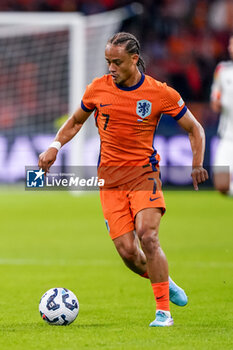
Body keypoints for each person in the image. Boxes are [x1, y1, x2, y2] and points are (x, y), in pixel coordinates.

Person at [39, 32, 208, 327]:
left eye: (116, 62)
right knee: (129, 253)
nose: (110, 68)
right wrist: (55, 146)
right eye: (107, 62)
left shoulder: (159, 93)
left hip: (144, 174)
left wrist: (197, 164)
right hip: (109, 180)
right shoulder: (98, 89)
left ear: (134, 59)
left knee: (148, 235)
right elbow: (76, 120)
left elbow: (195, 128)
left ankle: (163, 313)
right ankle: (164, 280)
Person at [210, 34, 233, 196]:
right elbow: (215, 99)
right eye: (230, 44)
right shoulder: (222, 70)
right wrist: (216, 102)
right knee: (221, 185)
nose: (230, 48)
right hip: (228, 136)